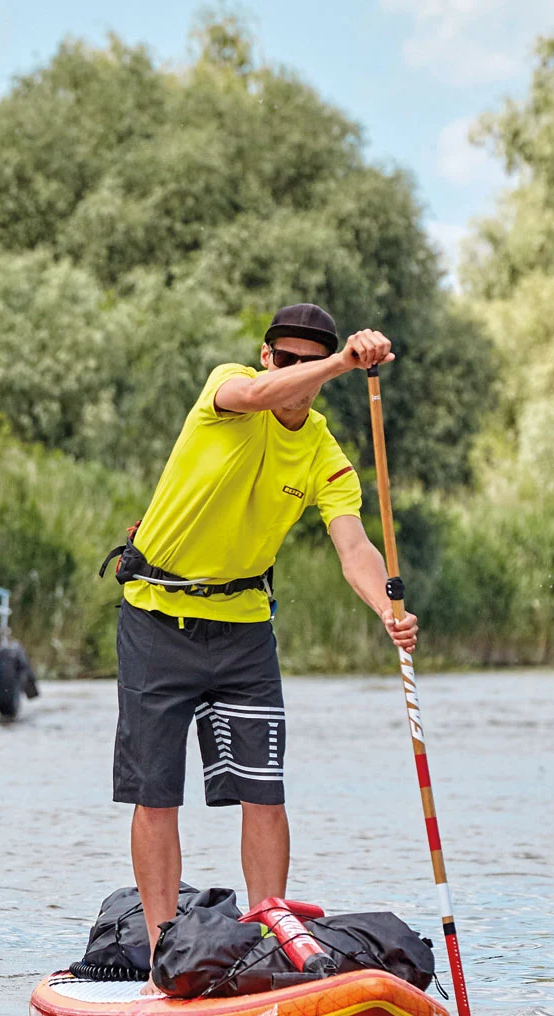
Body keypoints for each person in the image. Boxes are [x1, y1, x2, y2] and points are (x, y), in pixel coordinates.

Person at [110, 302, 416, 975]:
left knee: (264, 788)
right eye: (288, 359)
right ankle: (168, 950)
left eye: (313, 362)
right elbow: (255, 391)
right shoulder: (229, 391)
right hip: (157, 612)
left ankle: (274, 938)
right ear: (266, 355)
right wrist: (339, 364)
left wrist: (385, 609)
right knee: (157, 790)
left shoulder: (323, 454)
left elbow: (354, 544)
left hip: (245, 625)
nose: (296, 372)